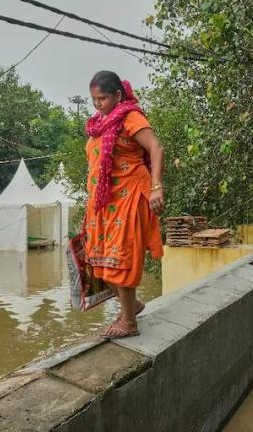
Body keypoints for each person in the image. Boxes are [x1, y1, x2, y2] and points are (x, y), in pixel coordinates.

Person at [84, 70, 164, 338]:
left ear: (118, 95)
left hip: (130, 196)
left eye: (103, 98)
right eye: (94, 99)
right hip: (104, 202)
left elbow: (156, 148)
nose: (98, 104)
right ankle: (133, 306)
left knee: (121, 259)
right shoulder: (98, 123)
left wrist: (156, 187)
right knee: (98, 262)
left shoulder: (130, 117)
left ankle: (129, 322)